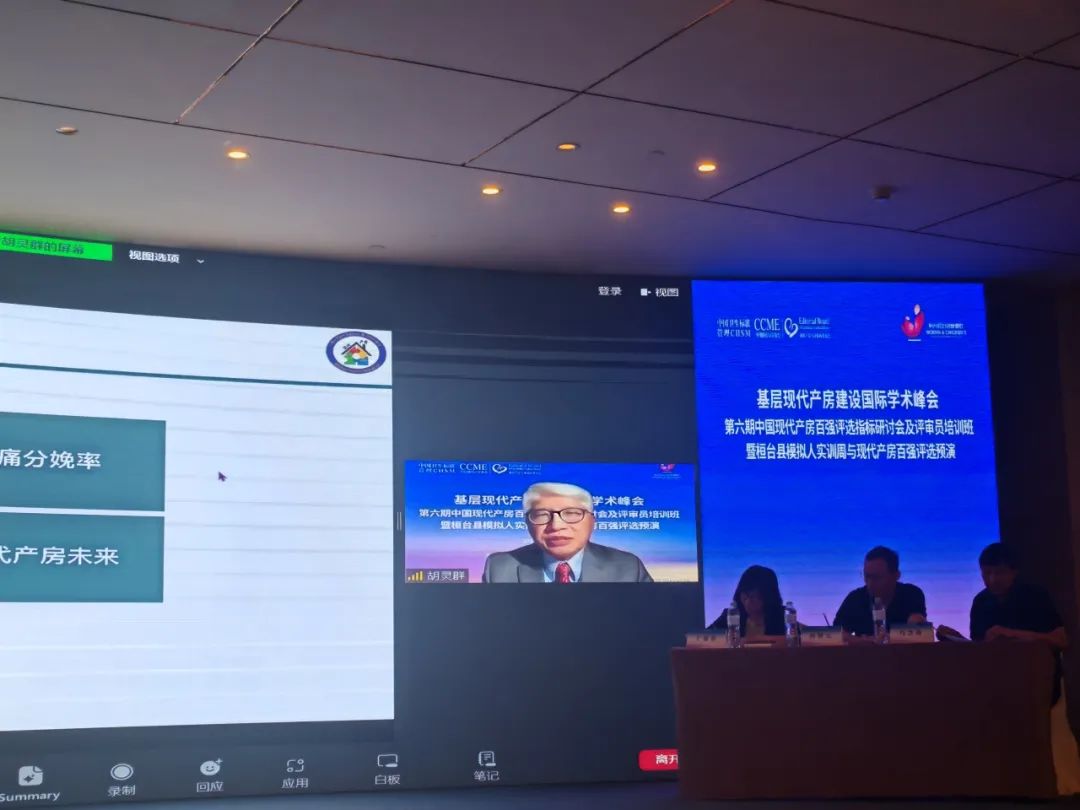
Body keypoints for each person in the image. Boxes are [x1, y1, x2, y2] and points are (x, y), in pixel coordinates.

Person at [482, 482, 653, 583]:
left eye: (571, 513)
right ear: (527, 523)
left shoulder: (627, 567)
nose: (556, 526)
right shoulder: (499, 567)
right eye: (542, 515)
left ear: (592, 521)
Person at [833, 546, 927, 636]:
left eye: (877, 578)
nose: (870, 584)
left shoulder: (911, 595)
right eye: (867, 576)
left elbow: (919, 632)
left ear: (896, 575)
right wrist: (867, 642)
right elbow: (836, 634)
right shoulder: (855, 599)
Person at [708, 565, 786, 638]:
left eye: (753, 596)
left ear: (768, 596)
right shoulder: (731, 615)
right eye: (745, 596)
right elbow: (704, 637)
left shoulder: (782, 617)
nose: (748, 602)